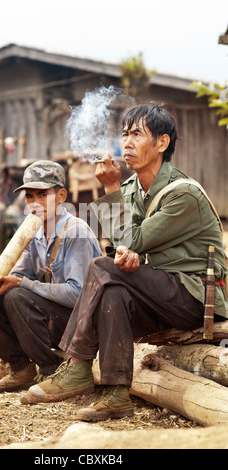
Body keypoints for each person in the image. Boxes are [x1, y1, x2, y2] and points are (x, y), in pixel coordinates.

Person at [22, 103, 228, 421]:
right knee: (112, 291)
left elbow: (135, 240)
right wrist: (126, 256)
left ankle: (76, 365)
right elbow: (125, 246)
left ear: (162, 143)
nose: (126, 142)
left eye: (136, 134)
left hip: (195, 298)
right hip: (157, 295)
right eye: (124, 134)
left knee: (100, 267)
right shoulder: (131, 190)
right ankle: (116, 393)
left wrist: (109, 189)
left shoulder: (184, 194)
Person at [0, 160, 101, 394]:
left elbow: (79, 294)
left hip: (81, 326)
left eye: (42, 194)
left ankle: (53, 370)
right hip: (53, 320)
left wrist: (21, 283)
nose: (35, 202)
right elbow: (19, 274)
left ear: (61, 196)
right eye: (29, 196)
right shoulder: (34, 231)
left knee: (18, 295)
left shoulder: (75, 232)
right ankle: (21, 370)